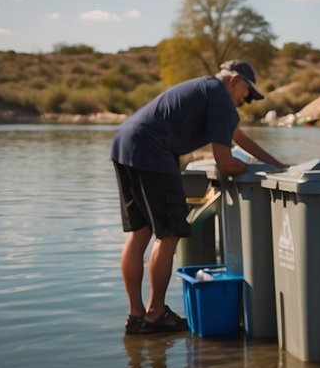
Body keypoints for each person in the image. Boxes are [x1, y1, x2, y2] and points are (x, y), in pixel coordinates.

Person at [111, 60, 285, 334]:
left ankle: (136, 315)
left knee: (140, 231)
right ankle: (155, 315)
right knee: (168, 235)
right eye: (247, 93)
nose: (247, 101)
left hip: (124, 142)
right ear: (235, 81)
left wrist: (277, 166)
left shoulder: (208, 91)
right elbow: (226, 164)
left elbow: (238, 138)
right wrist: (250, 169)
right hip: (153, 150)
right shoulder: (221, 100)